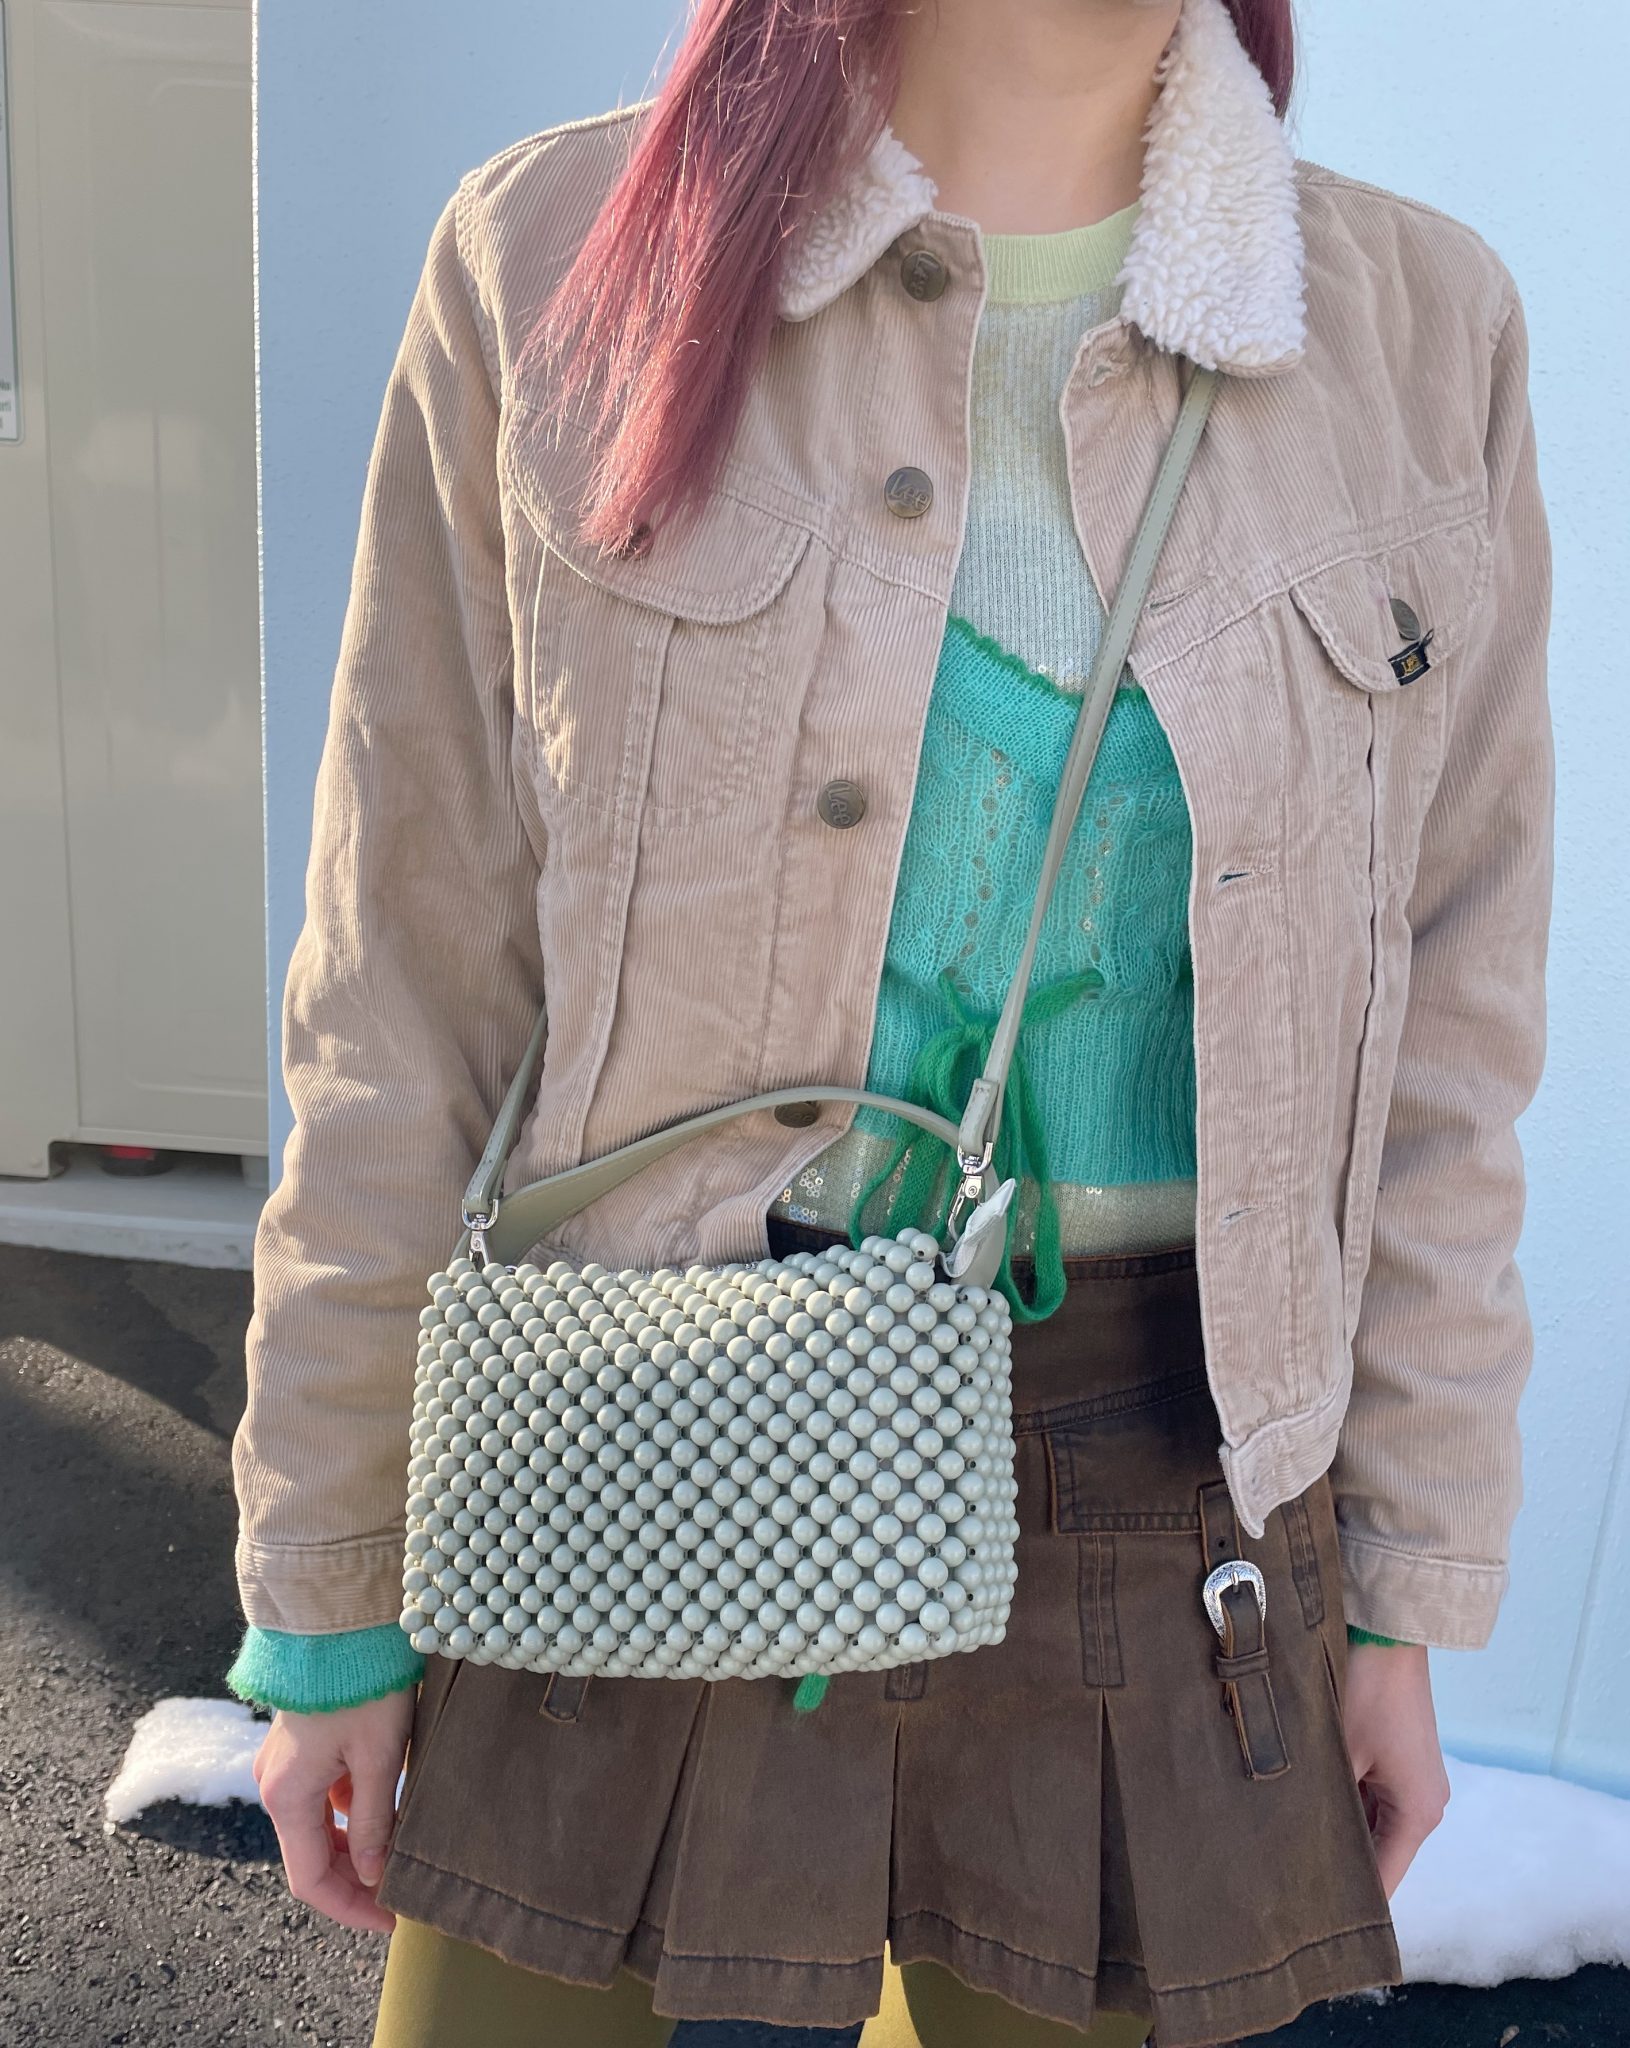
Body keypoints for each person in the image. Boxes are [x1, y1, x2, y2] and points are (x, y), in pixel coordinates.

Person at [226, 0, 1555, 2043]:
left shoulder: (1417, 332)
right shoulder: (554, 259)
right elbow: (404, 976)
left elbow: (1454, 1041)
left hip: (1154, 1488)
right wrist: (329, 1583)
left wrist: (1397, 1578)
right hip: (630, 1427)